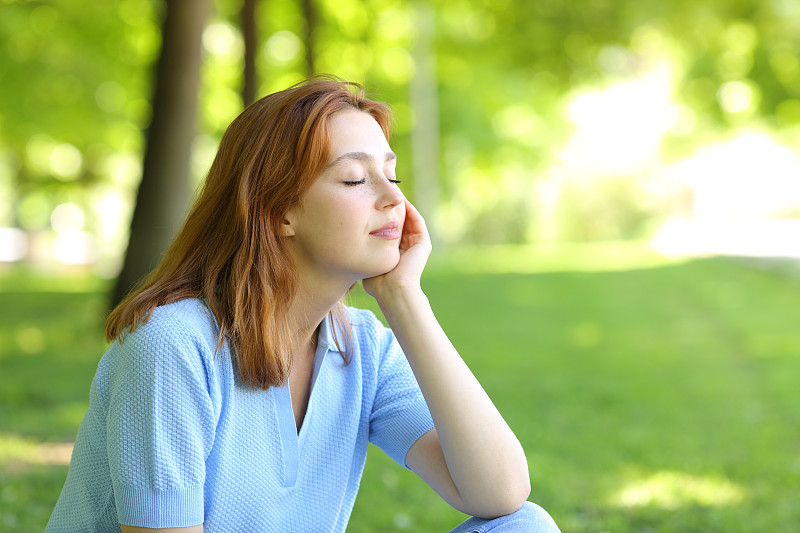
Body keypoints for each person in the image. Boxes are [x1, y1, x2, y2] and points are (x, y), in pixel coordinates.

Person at [46, 76, 561, 533]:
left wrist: (404, 298)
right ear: (279, 211)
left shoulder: (362, 347)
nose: (394, 200)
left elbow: (499, 493)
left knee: (524, 526)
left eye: (392, 175)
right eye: (356, 179)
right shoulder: (173, 346)